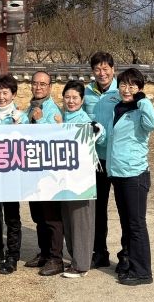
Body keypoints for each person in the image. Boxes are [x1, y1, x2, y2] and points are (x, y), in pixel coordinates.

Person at [95, 68, 154, 286]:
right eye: (123, 84)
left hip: (135, 174)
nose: (126, 89)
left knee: (136, 224)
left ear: (140, 88)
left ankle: (142, 272)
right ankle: (129, 264)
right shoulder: (118, 108)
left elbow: (153, 123)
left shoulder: (141, 110)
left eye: (132, 85)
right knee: (126, 222)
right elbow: (111, 139)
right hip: (118, 173)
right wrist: (98, 132)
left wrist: (143, 101)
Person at [0, 74, 29, 275]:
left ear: (13, 94)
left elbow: (28, 143)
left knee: (12, 215)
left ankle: (12, 255)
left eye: (5, 93)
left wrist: (20, 127)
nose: (1, 97)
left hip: (12, 173)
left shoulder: (21, 117)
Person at [23, 71, 65, 276]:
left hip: (49, 172)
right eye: (35, 83)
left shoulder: (53, 110)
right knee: (38, 215)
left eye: (43, 84)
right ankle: (45, 253)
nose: (38, 87)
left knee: (51, 216)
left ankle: (56, 259)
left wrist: (39, 122)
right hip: (33, 170)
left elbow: (54, 139)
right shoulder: (31, 107)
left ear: (50, 87)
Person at [56, 80, 100, 278]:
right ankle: (75, 258)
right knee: (68, 219)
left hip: (82, 179)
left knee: (81, 219)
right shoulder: (61, 116)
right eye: (67, 97)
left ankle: (81, 264)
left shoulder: (85, 120)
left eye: (75, 97)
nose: (71, 101)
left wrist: (95, 130)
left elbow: (99, 134)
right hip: (63, 178)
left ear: (82, 100)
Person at [83, 51, 122, 270]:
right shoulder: (86, 92)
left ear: (113, 69)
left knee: (125, 208)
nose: (102, 73)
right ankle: (100, 252)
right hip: (95, 159)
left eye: (105, 68)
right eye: (97, 69)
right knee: (98, 208)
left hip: (117, 157)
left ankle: (126, 253)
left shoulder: (122, 91)